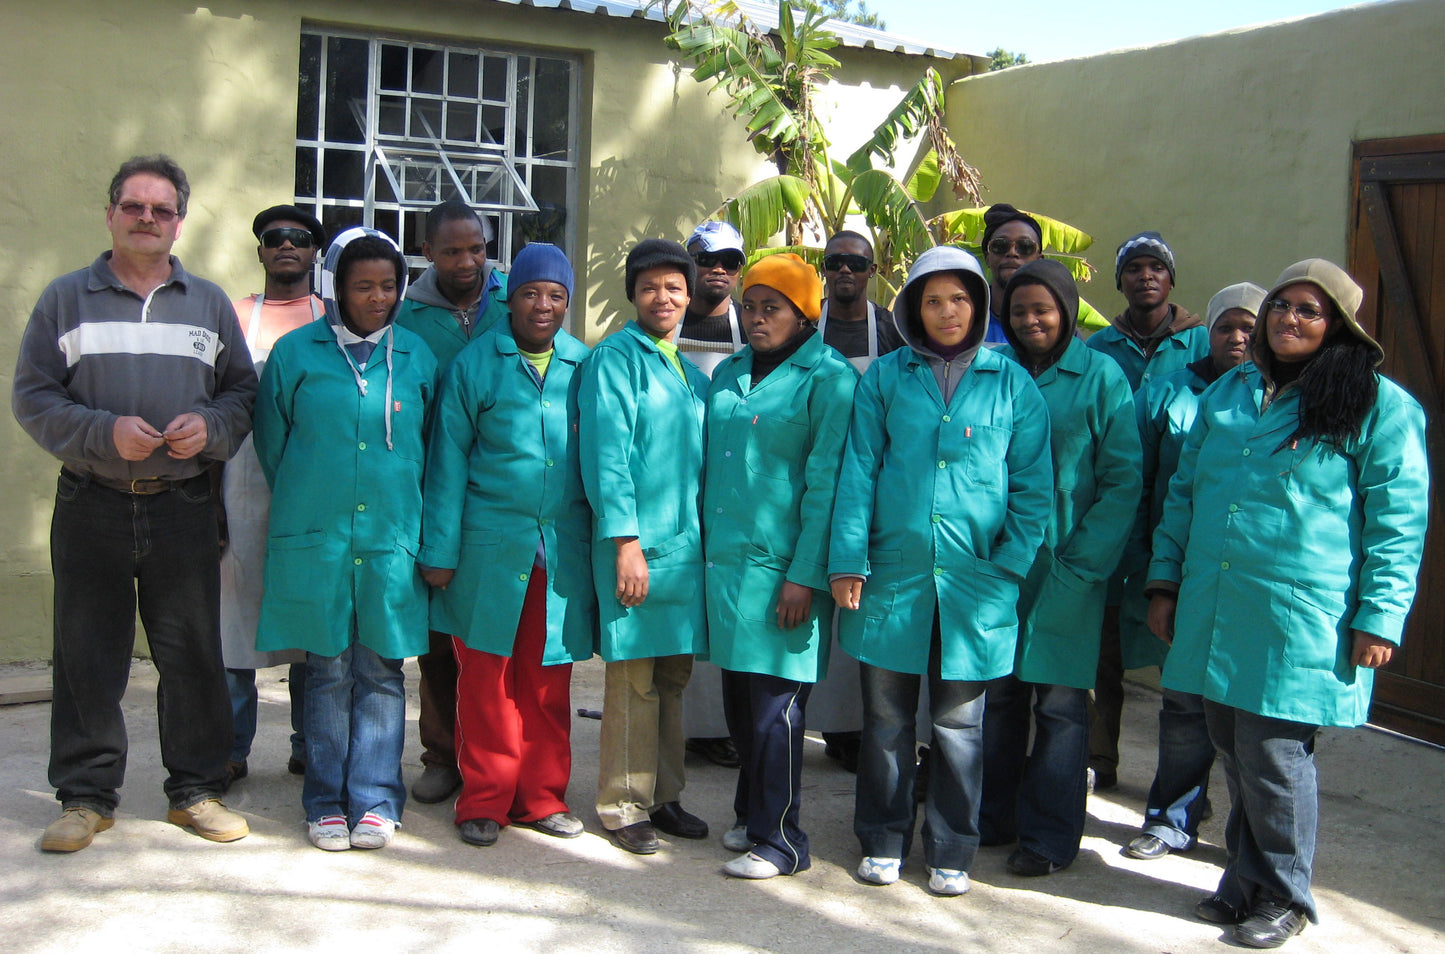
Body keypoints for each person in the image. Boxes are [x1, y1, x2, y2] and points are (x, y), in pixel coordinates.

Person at [1147, 259, 1428, 948]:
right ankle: (1241, 882)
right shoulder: (1233, 391)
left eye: (1308, 310)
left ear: (1337, 325)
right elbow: (1184, 491)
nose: (1288, 320)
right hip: (1215, 601)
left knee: (1275, 758)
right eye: (1281, 306)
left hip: (1299, 614)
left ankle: (1282, 897)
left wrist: (1379, 617)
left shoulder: (1376, 404)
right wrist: (1164, 582)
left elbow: (1399, 519)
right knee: (1232, 749)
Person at [13, 154, 256, 851]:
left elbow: (241, 395)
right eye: (134, 207)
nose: (147, 219)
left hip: (181, 505)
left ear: (179, 222)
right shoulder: (67, 298)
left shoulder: (207, 302)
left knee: (192, 653)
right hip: (92, 500)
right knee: (88, 654)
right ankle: (86, 798)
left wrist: (209, 430)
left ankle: (196, 790)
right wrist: (101, 433)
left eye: (161, 210)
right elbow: (32, 397)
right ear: (111, 213)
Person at [830, 247, 1052, 896]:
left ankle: (952, 848)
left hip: (975, 582)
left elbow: (1033, 487)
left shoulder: (1011, 383)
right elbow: (858, 471)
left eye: (958, 299)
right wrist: (848, 559)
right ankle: (881, 837)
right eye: (932, 300)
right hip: (892, 576)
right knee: (888, 721)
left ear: (978, 306)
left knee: (959, 728)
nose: (946, 311)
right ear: (912, 310)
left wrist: (1008, 565)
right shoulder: (886, 378)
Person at [254, 228, 437, 851]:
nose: (378, 297)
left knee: (384, 672)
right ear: (336, 287)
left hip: (391, 541)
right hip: (321, 539)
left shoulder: (416, 357)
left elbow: (433, 451)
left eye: (388, 285)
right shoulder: (295, 353)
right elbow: (273, 444)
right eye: (363, 286)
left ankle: (378, 801)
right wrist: (318, 496)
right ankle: (326, 800)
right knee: (328, 672)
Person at [420, 243, 595, 848]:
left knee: (548, 681)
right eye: (530, 293)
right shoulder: (475, 366)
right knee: (487, 680)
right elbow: (446, 464)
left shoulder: (583, 367)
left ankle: (542, 797)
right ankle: (485, 799)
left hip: (559, 554)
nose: (542, 306)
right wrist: (439, 553)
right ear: (510, 297)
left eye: (555, 296)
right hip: (488, 551)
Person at [979, 259, 1141, 877]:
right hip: (999, 565)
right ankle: (994, 817)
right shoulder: (994, 370)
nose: (1029, 321)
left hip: (1070, 567)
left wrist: (1085, 563)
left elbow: (1124, 479)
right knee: (999, 696)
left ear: (1068, 310)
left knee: (1061, 705)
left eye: (1042, 309)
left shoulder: (1101, 377)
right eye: (1018, 311)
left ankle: (1049, 837)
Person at [705, 253, 856, 879]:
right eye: (751, 305)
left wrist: (805, 575)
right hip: (728, 570)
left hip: (785, 575)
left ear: (804, 315)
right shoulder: (731, 372)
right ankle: (752, 815)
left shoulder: (831, 378)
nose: (758, 318)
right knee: (742, 708)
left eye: (774, 308)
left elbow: (827, 486)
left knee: (777, 711)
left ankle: (784, 840)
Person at [1120, 282, 1265, 861]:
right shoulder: (1182, 393)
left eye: (1249, 328)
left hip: (1256, 585)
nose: (1238, 338)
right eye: (1227, 326)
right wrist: (1158, 578)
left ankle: (1250, 842)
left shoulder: (1288, 400)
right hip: (1189, 572)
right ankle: (1171, 818)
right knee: (1183, 705)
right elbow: (1161, 490)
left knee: (1252, 725)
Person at [581, 239, 711, 855]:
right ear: (633, 294)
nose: (664, 297)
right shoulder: (617, 359)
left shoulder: (682, 364)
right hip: (640, 550)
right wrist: (625, 543)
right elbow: (608, 456)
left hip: (684, 554)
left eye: (675, 287)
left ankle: (664, 796)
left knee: (672, 678)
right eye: (651, 286)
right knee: (633, 680)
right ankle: (623, 803)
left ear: (690, 296)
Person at [396, 198, 509, 806]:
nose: (468, 262)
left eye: (478, 248)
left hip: (500, 496)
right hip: (429, 492)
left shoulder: (515, 301)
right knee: (438, 635)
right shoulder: (408, 316)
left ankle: (493, 753)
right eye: (452, 251)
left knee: (493, 638)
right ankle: (441, 752)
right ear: (427, 252)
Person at [1086, 230, 1208, 791]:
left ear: (1171, 277)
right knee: (1102, 650)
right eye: (1133, 268)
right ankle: (1096, 763)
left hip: (1176, 518)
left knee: (1176, 657)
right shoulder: (1098, 349)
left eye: (1156, 266)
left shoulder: (1205, 343)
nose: (1145, 276)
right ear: (1120, 281)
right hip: (1114, 514)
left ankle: (1181, 791)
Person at [220, 205, 328, 786]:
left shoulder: (332, 319)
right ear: (260, 251)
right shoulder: (233, 318)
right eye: (274, 238)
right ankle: (230, 748)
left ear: (315, 253)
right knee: (232, 624)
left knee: (311, 626)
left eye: (300, 239)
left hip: (309, 492)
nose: (287, 246)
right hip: (239, 489)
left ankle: (310, 744)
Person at [810, 230, 903, 773]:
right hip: (816, 477)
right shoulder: (806, 325)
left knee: (859, 613)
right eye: (835, 262)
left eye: (857, 263)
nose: (845, 270)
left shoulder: (890, 329)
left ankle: (851, 730)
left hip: (871, 482)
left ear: (872, 270)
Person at [676, 220, 748, 769]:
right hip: (676, 487)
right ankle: (689, 729)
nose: (717, 270)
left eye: (729, 261)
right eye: (706, 260)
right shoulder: (667, 322)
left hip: (736, 490)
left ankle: (725, 727)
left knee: (726, 610)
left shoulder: (753, 326)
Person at [979, 203, 1107, 345]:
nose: (1012, 253)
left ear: (1039, 260)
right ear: (987, 257)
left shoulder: (1057, 327)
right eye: (1000, 245)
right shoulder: (969, 316)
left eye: (1025, 246)